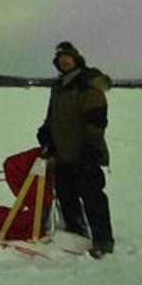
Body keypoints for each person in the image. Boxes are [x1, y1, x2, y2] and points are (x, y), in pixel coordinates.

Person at [36, 41, 115, 257]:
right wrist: (46, 133)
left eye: (68, 57)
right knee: (66, 195)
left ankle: (103, 239)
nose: (64, 61)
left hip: (85, 153)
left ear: (77, 59)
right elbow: (53, 116)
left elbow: (96, 120)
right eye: (60, 59)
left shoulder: (87, 83)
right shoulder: (59, 86)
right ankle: (76, 230)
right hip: (63, 153)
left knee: (92, 197)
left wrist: (92, 147)